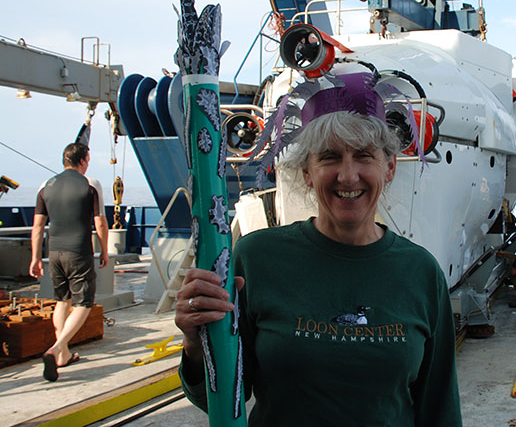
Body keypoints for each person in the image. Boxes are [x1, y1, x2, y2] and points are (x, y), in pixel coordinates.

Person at [175, 70, 462, 425]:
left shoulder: (420, 273)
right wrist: (194, 340)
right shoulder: (256, 258)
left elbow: (440, 409)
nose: (347, 175)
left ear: (389, 168)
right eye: (328, 157)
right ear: (307, 172)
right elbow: (218, 397)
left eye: (363, 156)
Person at [29, 142, 109, 382]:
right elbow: (100, 223)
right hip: (79, 252)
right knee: (83, 304)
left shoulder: (45, 186)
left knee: (61, 301)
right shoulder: (90, 185)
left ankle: (63, 355)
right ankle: (57, 347)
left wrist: (35, 257)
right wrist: (104, 250)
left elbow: (38, 226)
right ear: (83, 160)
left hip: (54, 253)